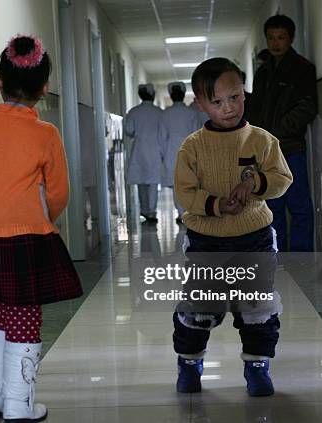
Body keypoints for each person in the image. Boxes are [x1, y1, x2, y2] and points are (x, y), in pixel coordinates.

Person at [0, 36, 83, 422]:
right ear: (44, 89)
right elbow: (59, 191)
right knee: (24, 315)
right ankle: (18, 404)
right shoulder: (46, 134)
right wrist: (47, 219)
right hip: (27, 237)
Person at [173, 58, 292, 397]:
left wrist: (256, 183)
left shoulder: (261, 140)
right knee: (200, 307)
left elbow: (283, 178)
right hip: (206, 240)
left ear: (244, 93)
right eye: (217, 101)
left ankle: (257, 365)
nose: (229, 108)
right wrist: (215, 204)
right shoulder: (192, 147)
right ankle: (189, 362)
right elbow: (185, 191)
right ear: (200, 104)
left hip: (254, 237)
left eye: (236, 97)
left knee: (257, 306)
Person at [247, 14, 317, 252]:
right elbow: (257, 107)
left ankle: (301, 257)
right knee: (272, 206)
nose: (275, 43)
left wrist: (280, 129)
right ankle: (278, 257)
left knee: (298, 206)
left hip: (290, 148)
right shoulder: (264, 72)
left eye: (281, 38)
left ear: (291, 39)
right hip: (266, 152)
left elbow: (308, 106)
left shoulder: (302, 69)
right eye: (271, 38)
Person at [125, 83, 168, 223]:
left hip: (139, 150)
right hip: (155, 151)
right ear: (153, 95)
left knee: (141, 183)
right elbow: (163, 134)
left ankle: (144, 210)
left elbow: (129, 130)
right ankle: (152, 211)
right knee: (153, 183)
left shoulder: (133, 112)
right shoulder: (159, 113)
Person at [161, 81, 200, 224]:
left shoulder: (165, 114)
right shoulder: (191, 113)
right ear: (184, 95)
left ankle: (180, 212)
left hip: (171, 154)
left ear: (171, 96)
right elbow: (197, 135)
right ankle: (188, 211)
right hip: (189, 153)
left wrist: (163, 155)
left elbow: (162, 137)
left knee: (176, 186)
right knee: (189, 184)